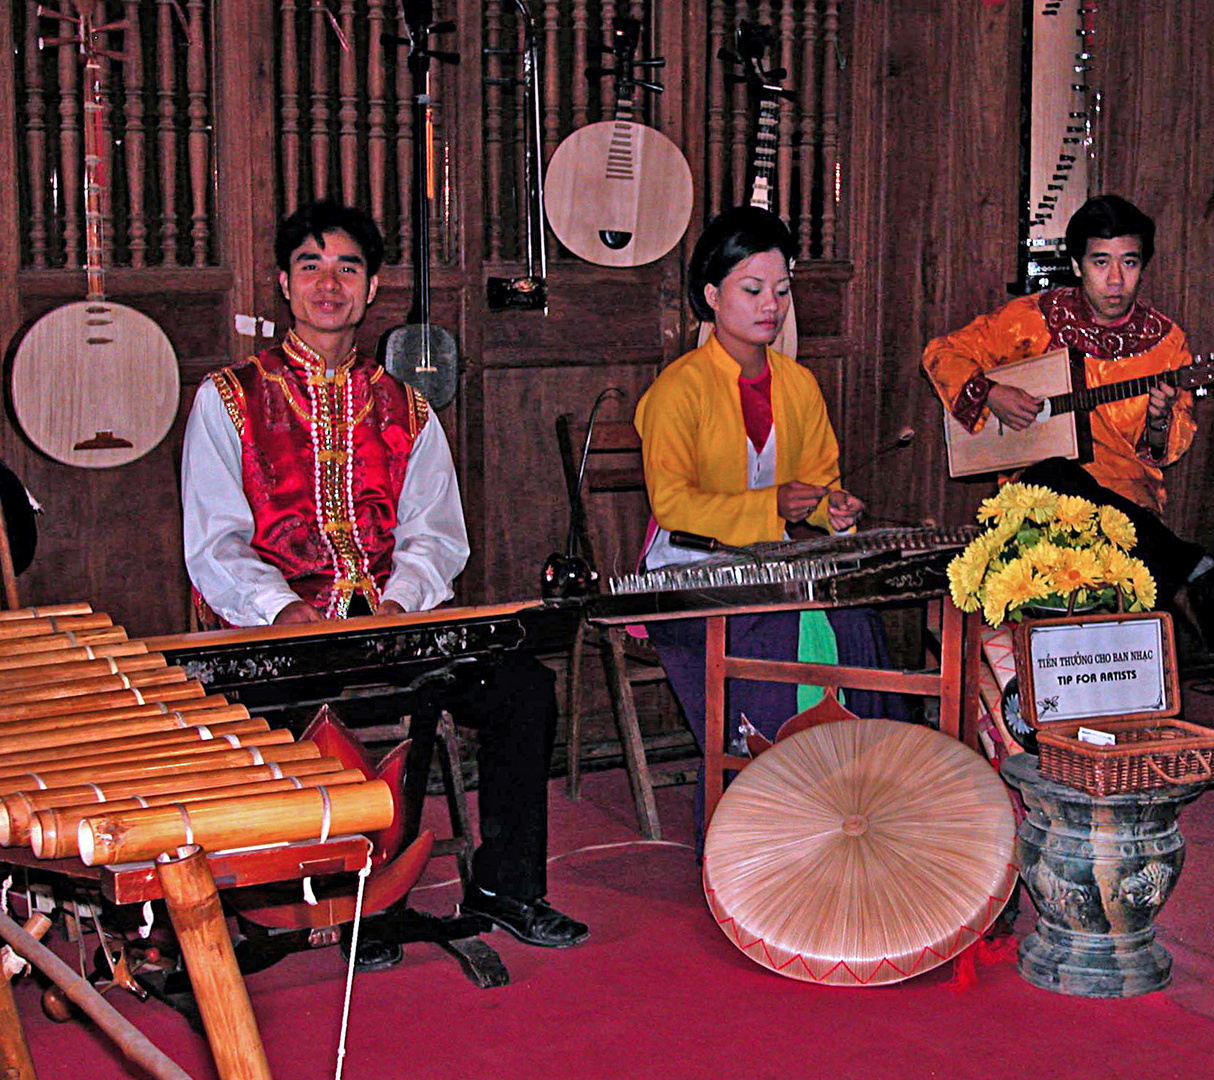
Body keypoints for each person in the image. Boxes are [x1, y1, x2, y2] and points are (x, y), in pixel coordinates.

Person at [181, 201, 588, 948]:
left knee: (522, 689)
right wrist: (278, 610)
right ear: (283, 283)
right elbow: (214, 543)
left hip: (393, 629)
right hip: (275, 638)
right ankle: (291, 904)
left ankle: (505, 888)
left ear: (371, 290)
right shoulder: (228, 399)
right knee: (257, 708)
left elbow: (438, 534)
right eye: (311, 266)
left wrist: (401, 603)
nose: (328, 285)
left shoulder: (407, 405)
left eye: (347, 268)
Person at [635, 206, 904, 802]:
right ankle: (768, 802)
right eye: (752, 289)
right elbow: (674, 504)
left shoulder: (798, 384)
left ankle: (859, 793)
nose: (771, 306)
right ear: (710, 295)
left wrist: (827, 508)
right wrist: (773, 505)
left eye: (781, 291)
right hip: (688, 570)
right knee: (779, 627)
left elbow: (815, 484)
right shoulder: (676, 391)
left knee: (856, 621)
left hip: (768, 564)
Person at [921, 194, 1214, 648]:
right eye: (1100, 263)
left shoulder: (1166, 343)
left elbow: (1163, 451)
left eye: (1129, 263)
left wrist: (1157, 419)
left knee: (1067, 479)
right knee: (1053, 472)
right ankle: (1186, 565)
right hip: (1037, 497)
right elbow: (941, 352)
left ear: (1143, 266)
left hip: (1127, 501)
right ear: (1076, 264)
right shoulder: (1029, 320)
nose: (1115, 280)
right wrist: (992, 392)